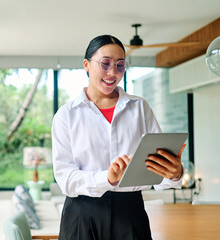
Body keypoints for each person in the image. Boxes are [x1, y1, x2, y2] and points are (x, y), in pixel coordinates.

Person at [52, 34, 185, 240]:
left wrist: (174, 174)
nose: (112, 72)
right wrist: (108, 178)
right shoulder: (66, 115)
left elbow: (156, 176)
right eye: (105, 63)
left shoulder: (140, 108)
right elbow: (66, 180)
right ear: (86, 65)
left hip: (130, 213)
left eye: (120, 65)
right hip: (81, 215)